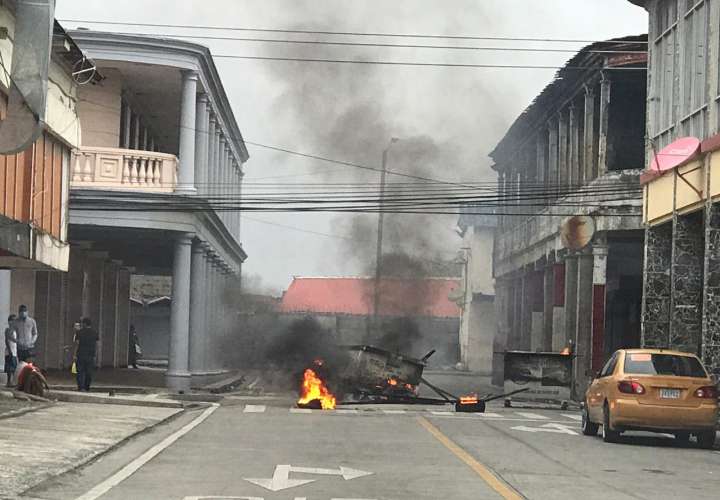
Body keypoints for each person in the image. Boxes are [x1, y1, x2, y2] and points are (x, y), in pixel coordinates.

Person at [73, 317, 99, 392]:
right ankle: (87, 387)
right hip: (90, 355)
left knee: (80, 372)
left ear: (84, 324)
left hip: (81, 354)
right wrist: (96, 355)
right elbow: (97, 345)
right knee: (89, 372)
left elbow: (77, 344)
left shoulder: (79, 332)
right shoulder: (95, 333)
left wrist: (74, 355)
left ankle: (81, 387)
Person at [4, 314, 17, 387]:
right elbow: (7, 340)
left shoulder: (14, 330)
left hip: (14, 351)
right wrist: (10, 351)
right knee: (9, 367)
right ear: (10, 321)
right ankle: (9, 382)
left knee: (14, 367)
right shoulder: (8, 330)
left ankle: (11, 381)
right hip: (9, 351)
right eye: (13, 320)